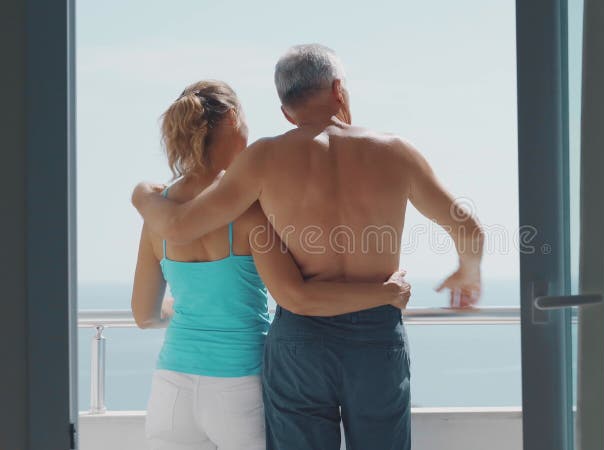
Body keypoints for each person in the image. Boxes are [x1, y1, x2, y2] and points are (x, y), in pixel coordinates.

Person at [132, 45, 484, 450]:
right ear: (339, 89)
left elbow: (179, 226)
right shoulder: (395, 152)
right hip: (375, 333)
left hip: (300, 340)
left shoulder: (263, 158)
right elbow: (469, 229)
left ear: (285, 110)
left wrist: (142, 195)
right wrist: (467, 271)